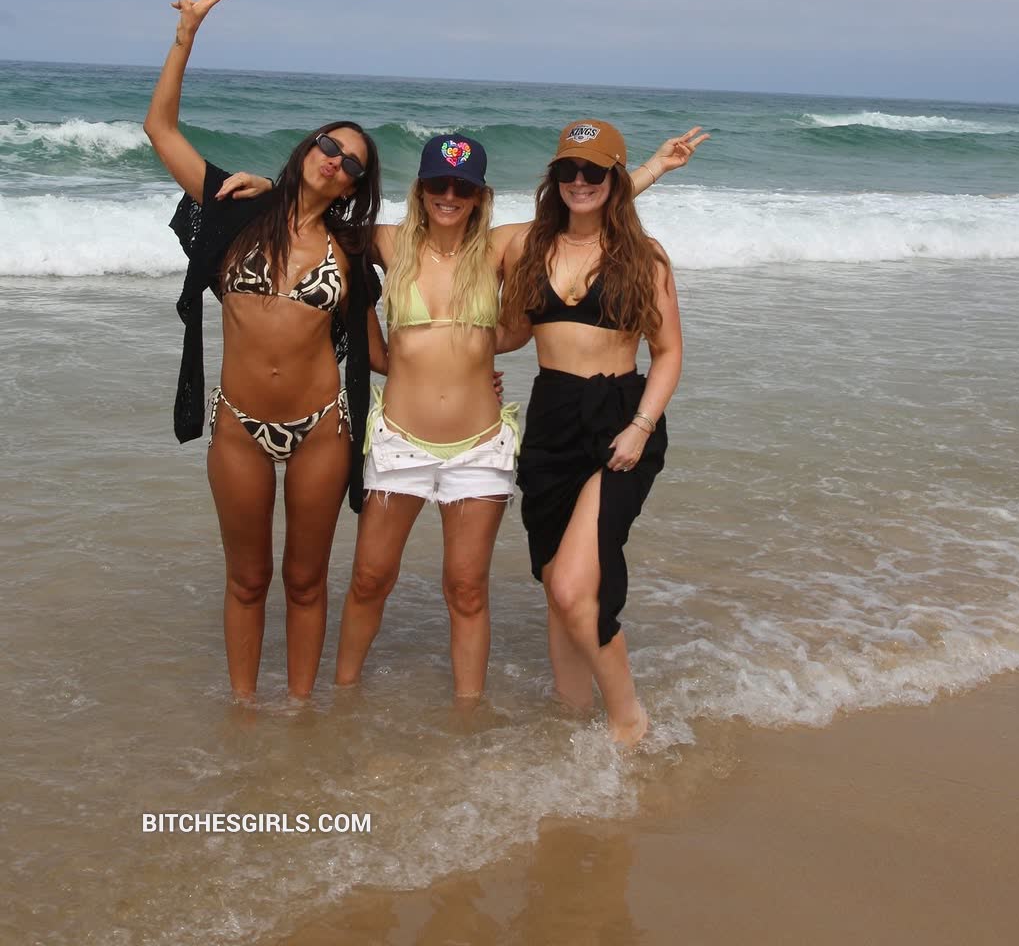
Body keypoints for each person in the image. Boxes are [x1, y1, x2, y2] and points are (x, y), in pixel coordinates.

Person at [231, 127, 706, 702]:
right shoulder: (387, 242)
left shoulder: (501, 248)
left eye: (463, 186)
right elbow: (313, 213)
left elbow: (583, 206)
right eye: (438, 183)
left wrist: (651, 169)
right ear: (421, 188)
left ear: (481, 195)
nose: (449, 195)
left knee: (466, 589)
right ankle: (343, 699)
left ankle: (467, 716)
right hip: (399, 439)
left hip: (480, 444)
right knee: (370, 579)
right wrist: (272, 190)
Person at [143, 0, 384, 700]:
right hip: (238, 427)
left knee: (306, 582)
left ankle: (302, 713)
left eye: (351, 163)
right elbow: (160, 129)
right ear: (308, 148)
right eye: (329, 146)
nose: (335, 161)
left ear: (354, 187)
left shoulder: (352, 248)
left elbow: (382, 344)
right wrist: (185, 37)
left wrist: (468, 368)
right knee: (247, 580)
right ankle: (245, 713)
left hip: (321, 430)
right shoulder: (235, 208)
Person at [499, 119, 683, 746]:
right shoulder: (529, 247)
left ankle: (628, 720)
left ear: (614, 178)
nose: (579, 181)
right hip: (551, 417)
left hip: (619, 419)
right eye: (567, 170)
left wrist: (640, 426)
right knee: (555, 582)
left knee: (577, 586)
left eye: (594, 171)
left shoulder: (644, 256)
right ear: (554, 177)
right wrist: (445, 351)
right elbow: (510, 331)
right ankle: (570, 711)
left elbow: (669, 352)